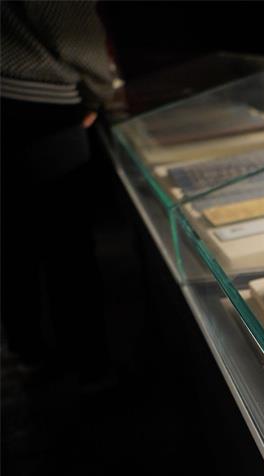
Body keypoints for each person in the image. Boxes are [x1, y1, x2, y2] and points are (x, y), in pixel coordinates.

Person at [1, 0, 118, 380]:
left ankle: (26, 350)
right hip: (43, 106)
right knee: (68, 248)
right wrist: (99, 93)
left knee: (12, 245)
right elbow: (77, 38)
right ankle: (87, 366)